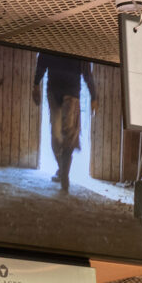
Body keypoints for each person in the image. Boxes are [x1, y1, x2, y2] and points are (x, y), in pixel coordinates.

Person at [32, 52, 98, 194]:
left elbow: (87, 71)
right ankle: (62, 170)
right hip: (54, 91)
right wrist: (36, 84)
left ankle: (64, 176)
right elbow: (42, 59)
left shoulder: (80, 46)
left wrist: (93, 96)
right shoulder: (52, 42)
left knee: (68, 134)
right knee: (56, 136)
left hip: (71, 93)